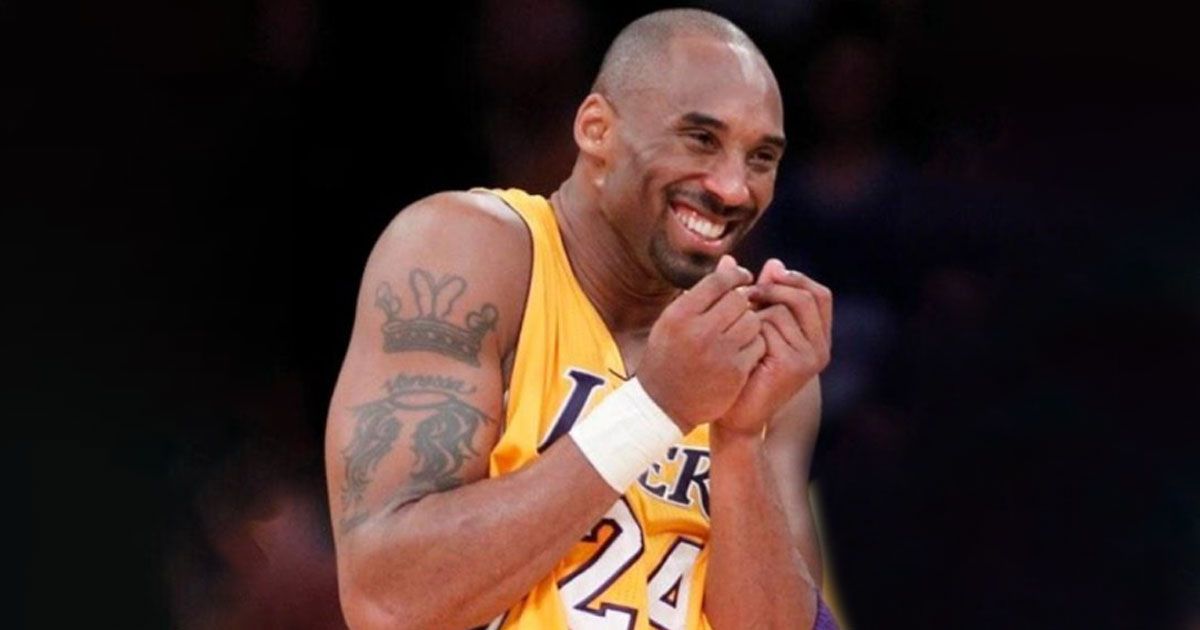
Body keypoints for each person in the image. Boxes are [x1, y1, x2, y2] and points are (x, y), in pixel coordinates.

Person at [324, 9, 837, 629]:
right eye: (700, 139)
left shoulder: (759, 356)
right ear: (597, 130)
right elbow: (387, 601)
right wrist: (654, 408)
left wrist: (737, 439)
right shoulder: (467, 253)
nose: (733, 188)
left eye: (761, 157)